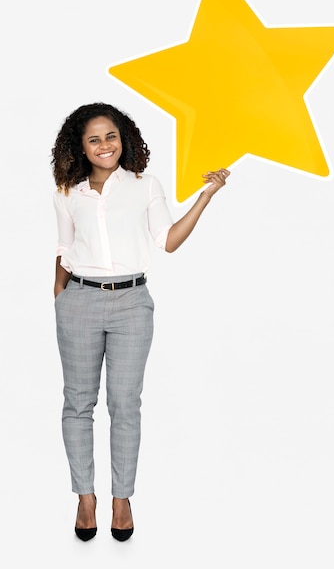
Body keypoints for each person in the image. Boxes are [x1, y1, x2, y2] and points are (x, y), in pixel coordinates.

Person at [51, 102, 230, 542]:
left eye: (110, 135)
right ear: (81, 146)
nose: (104, 145)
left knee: (125, 405)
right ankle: (85, 497)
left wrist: (205, 197)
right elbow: (62, 248)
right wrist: (59, 299)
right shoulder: (66, 191)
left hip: (132, 302)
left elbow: (167, 240)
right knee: (78, 403)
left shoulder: (143, 184)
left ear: (123, 137)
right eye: (94, 139)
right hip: (79, 301)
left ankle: (122, 499)